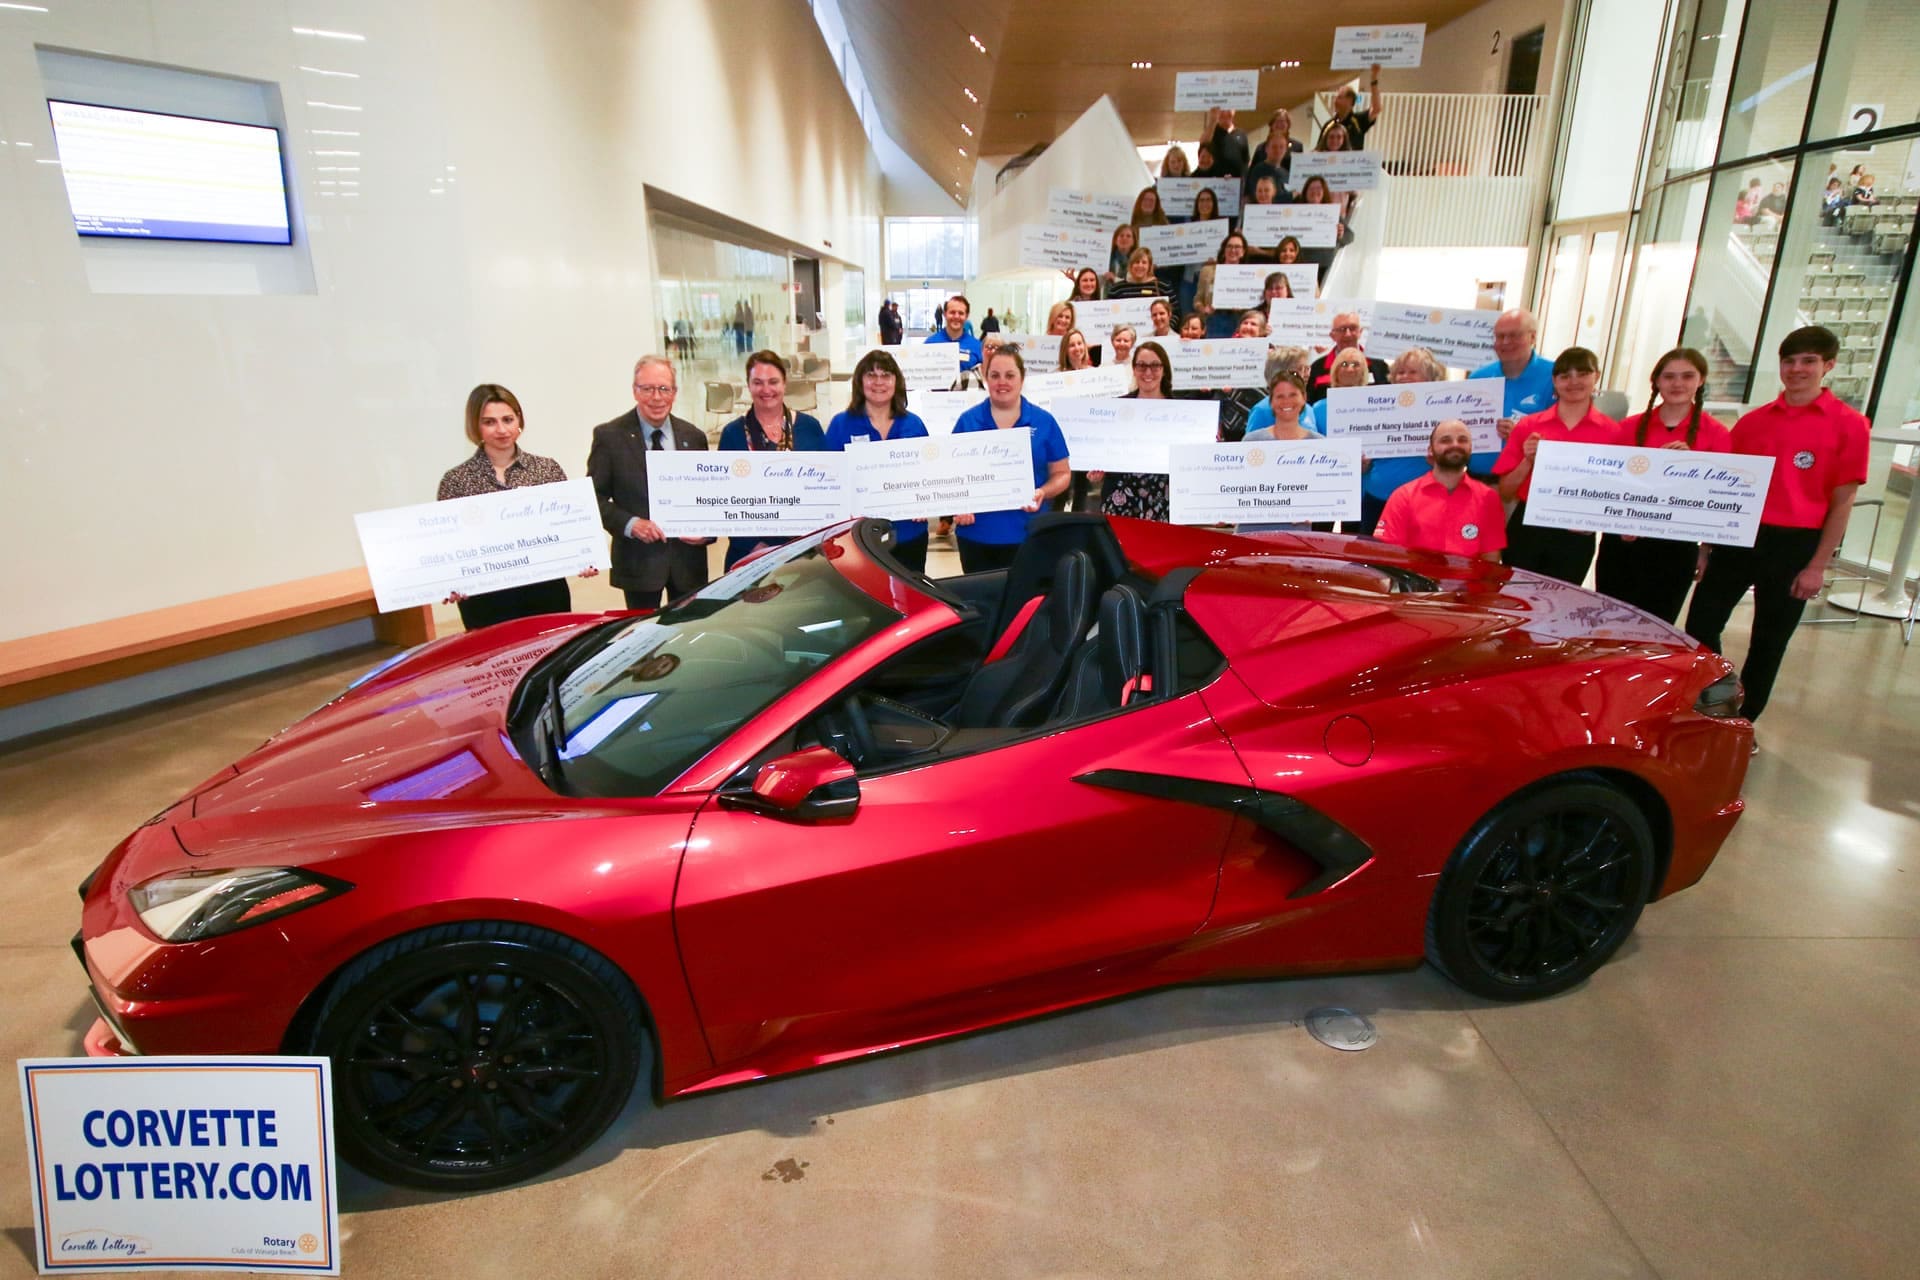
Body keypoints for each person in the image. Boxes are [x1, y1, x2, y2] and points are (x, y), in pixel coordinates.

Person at [1685, 325, 1869, 731]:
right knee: (1700, 623)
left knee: (1768, 640)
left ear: (1829, 366)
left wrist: (1818, 565)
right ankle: (1721, 691)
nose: (1797, 369)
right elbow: (1724, 489)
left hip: (1795, 544)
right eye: (1790, 361)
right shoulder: (1753, 422)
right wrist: (1706, 545)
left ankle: (1743, 722)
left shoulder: (1849, 424)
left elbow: (1843, 503)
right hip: (1739, 537)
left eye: (1808, 361)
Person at [437, 384, 597, 630]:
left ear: (519, 420)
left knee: (550, 657)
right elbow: (450, 543)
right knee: (494, 662)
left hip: (545, 592)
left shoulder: (546, 469)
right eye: (489, 422)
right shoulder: (456, 480)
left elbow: (570, 529)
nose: (501, 429)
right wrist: (452, 581)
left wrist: (583, 557)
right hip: (486, 598)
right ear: (474, 426)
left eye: (508, 419)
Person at [1591, 348, 1735, 622]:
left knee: (1657, 628)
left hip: (1676, 548)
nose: (1677, 384)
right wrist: (1622, 522)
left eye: (1686, 376)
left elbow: (1717, 499)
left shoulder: (1716, 433)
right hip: (1623, 543)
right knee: (1609, 625)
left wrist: (1705, 550)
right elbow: (1610, 483)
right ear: (1656, 382)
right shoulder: (1629, 427)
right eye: (1669, 376)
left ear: (1700, 380)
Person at [589, 355, 712, 610]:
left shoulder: (694, 437)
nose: (656, 397)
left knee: (689, 635)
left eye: (664, 388)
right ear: (635, 391)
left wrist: (707, 535)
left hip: (689, 564)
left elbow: (710, 498)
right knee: (642, 639)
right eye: (647, 389)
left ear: (674, 393)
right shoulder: (609, 436)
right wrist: (631, 524)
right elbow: (593, 499)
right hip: (638, 564)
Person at [1492, 346, 1621, 585]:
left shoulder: (1613, 432)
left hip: (1576, 534)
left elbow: (1616, 493)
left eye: (1582, 373)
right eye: (1565, 376)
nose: (1573, 381)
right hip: (1529, 526)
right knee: (1517, 600)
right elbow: (1506, 491)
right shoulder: (1529, 426)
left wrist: (1592, 519)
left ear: (1597, 377)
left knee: (1562, 607)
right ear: (1554, 381)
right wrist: (1527, 461)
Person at [951, 346, 1072, 572]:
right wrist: (959, 505)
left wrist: (1043, 492)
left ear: (1022, 378)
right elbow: (952, 476)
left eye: (1009, 375)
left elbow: (1062, 473)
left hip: (1029, 533)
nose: (1001, 382)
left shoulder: (1044, 421)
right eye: (994, 375)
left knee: (1025, 604)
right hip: (977, 534)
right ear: (986, 379)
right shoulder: (967, 422)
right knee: (980, 603)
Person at [717, 350, 828, 570]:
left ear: (784, 384)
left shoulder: (809, 428)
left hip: (803, 552)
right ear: (748, 386)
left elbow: (826, 488)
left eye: (773, 382)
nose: (766, 390)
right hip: (749, 553)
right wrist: (754, 546)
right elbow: (723, 496)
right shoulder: (733, 433)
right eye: (758, 382)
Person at [826, 349, 932, 573]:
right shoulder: (841, 425)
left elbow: (928, 476)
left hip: (909, 533)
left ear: (896, 381)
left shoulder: (915, 425)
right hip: (859, 537)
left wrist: (925, 501)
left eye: (886, 376)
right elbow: (829, 481)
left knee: (910, 599)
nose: (878, 382)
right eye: (871, 376)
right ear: (859, 381)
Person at [1350, 347, 1451, 537]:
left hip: (1423, 502)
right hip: (1376, 499)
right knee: (1371, 560)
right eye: (1400, 372)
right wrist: (1362, 465)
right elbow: (1367, 458)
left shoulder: (1444, 411)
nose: (1404, 377)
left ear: (1430, 377)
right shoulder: (1376, 409)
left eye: (1413, 372)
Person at [1373, 420, 1508, 562]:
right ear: (1430, 450)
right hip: (1417, 582)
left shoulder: (1488, 498)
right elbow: (1388, 555)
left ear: (1470, 448)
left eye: (1462, 440)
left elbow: (1491, 559)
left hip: (1468, 583)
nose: (1455, 444)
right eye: (1445, 440)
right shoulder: (1403, 496)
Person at [1095, 342, 1182, 522]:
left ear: (1164, 369)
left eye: (1155, 366)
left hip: (1164, 497)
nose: (1148, 372)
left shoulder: (1183, 412)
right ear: (1133, 369)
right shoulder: (1115, 408)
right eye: (1141, 365)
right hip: (1121, 495)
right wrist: (1098, 469)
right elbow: (1104, 450)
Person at [1468, 308, 1555, 477]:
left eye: (1514, 335)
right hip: (1478, 480)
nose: (1506, 342)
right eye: (1500, 336)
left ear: (1533, 337)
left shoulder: (1555, 377)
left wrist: (1520, 435)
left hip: (1526, 483)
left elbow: (1563, 435)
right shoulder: (1478, 378)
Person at [1237, 370, 1322, 534]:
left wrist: (1319, 510)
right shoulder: (1252, 441)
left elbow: (1327, 495)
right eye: (1280, 396)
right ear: (1271, 402)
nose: (1286, 401)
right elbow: (1235, 488)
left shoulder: (1318, 444)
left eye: (1293, 395)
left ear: (1304, 398)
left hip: (1297, 536)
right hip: (1251, 534)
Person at [1307, 312, 1389, 402]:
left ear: (1360, 332)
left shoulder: (1379, 366)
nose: (1348, 334)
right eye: (1342, 329)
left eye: (1353, 328)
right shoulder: (1317, 368)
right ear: (1332, 335)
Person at [1194, 231, 1252, 337]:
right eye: (1229, 246)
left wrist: (1243, 308)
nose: (1233, 250)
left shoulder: (1249, 274)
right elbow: (1197, 300)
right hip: (1213, 320)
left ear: (1243, 251)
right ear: (1223, 250)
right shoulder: (1207, 271)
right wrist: (1203, 309)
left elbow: (1254, 305)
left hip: (1238, 321)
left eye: (1237, 247)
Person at [1306, 347, 1372, 433]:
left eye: (1356, 364)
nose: (1350, 369)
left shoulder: (1373, 407)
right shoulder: (1318, 409)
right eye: (1344, 364)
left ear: (1364, 371)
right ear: (1336, 371)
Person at [1328, 65, 1385, 150]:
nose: (1335, 101)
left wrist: (1374, 79)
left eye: (1339, 97)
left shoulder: (1358, 120)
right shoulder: (1330, 125)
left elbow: (1377, 108)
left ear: (1350, 101)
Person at [926, 294, 984, 371]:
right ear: (945, 314)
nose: (956, 316)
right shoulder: (930, 343)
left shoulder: (977, 347)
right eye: (952, 312)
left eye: (961, 313)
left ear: (966, 316)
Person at [1201, 106, 1250, 178]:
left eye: (1229, 108)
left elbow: (1246, 160)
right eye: (1222, 110)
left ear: (1234, 111)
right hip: (1216, 182)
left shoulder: (1241, 134)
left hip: (1237, 183)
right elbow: (1203, 143)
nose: (1225, 112)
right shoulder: (1212, 132)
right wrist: (1212, 120)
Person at [1106, 224, 1138, 288]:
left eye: (1128, 236)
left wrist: (1115, 279)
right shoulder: (1106, 259)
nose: (1124, 238)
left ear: (1133, 242)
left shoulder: (1138, 261)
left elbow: (1136, 283)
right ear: (1115, 240)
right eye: (1121, 235)